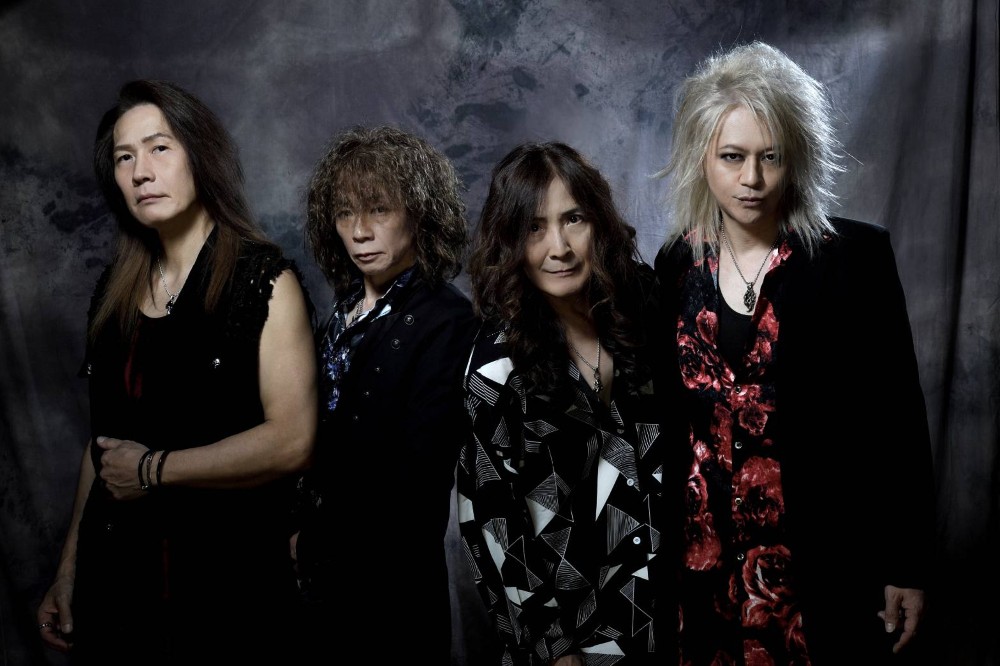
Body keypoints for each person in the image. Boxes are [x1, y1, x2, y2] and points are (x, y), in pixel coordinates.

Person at [653, 41, 937, 664]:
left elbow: (898, 419)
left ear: (797, 157)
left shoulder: (854, 261)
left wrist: (907, 564)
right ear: (703, 156)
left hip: (819, 567)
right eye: (732, 157)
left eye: (770, 157)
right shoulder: (676, 263)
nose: (752, 179)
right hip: (700, 564)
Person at [35, 80, 318, 664]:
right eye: (124, 157)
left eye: (159, 148)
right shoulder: (112, 293)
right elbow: (101, 447)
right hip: (118, 592)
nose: (141, 171)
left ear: (199, 154)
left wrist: (153, 470)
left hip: (225, 595)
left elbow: (292, 441)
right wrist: (67, 572)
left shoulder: (264, 281)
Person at [457, 141, 689, 665]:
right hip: (572, 635)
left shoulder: (642, 307)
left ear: (598, 222)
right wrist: (554, 646)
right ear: (509, 241)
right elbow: (492, 524)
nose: (558, 247)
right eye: (534, 228)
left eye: (573, 219)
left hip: (666, 614)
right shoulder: (495, 369)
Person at [291, 125, 476, 662]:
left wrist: (317, 540)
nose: (360, 231)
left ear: (419, 213)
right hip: (318, 583)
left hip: (393, 592)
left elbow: (417, 479)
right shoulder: (343, 311)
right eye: (345, 213)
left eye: (378, 210)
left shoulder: (446, 319)